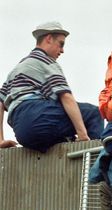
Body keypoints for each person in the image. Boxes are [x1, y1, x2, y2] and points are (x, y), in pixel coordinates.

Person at [0, 21, 104, 152]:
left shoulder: (17, 69)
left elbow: (0, 103)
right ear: (49, 38)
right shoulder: (46, 61)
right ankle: (97, 165)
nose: (62, 50)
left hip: (22, 132)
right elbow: (66, 97)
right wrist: (83, 135)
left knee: (68, 137)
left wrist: (0, 140)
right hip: (37, 115)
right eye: (61, 44)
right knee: (94, 113)